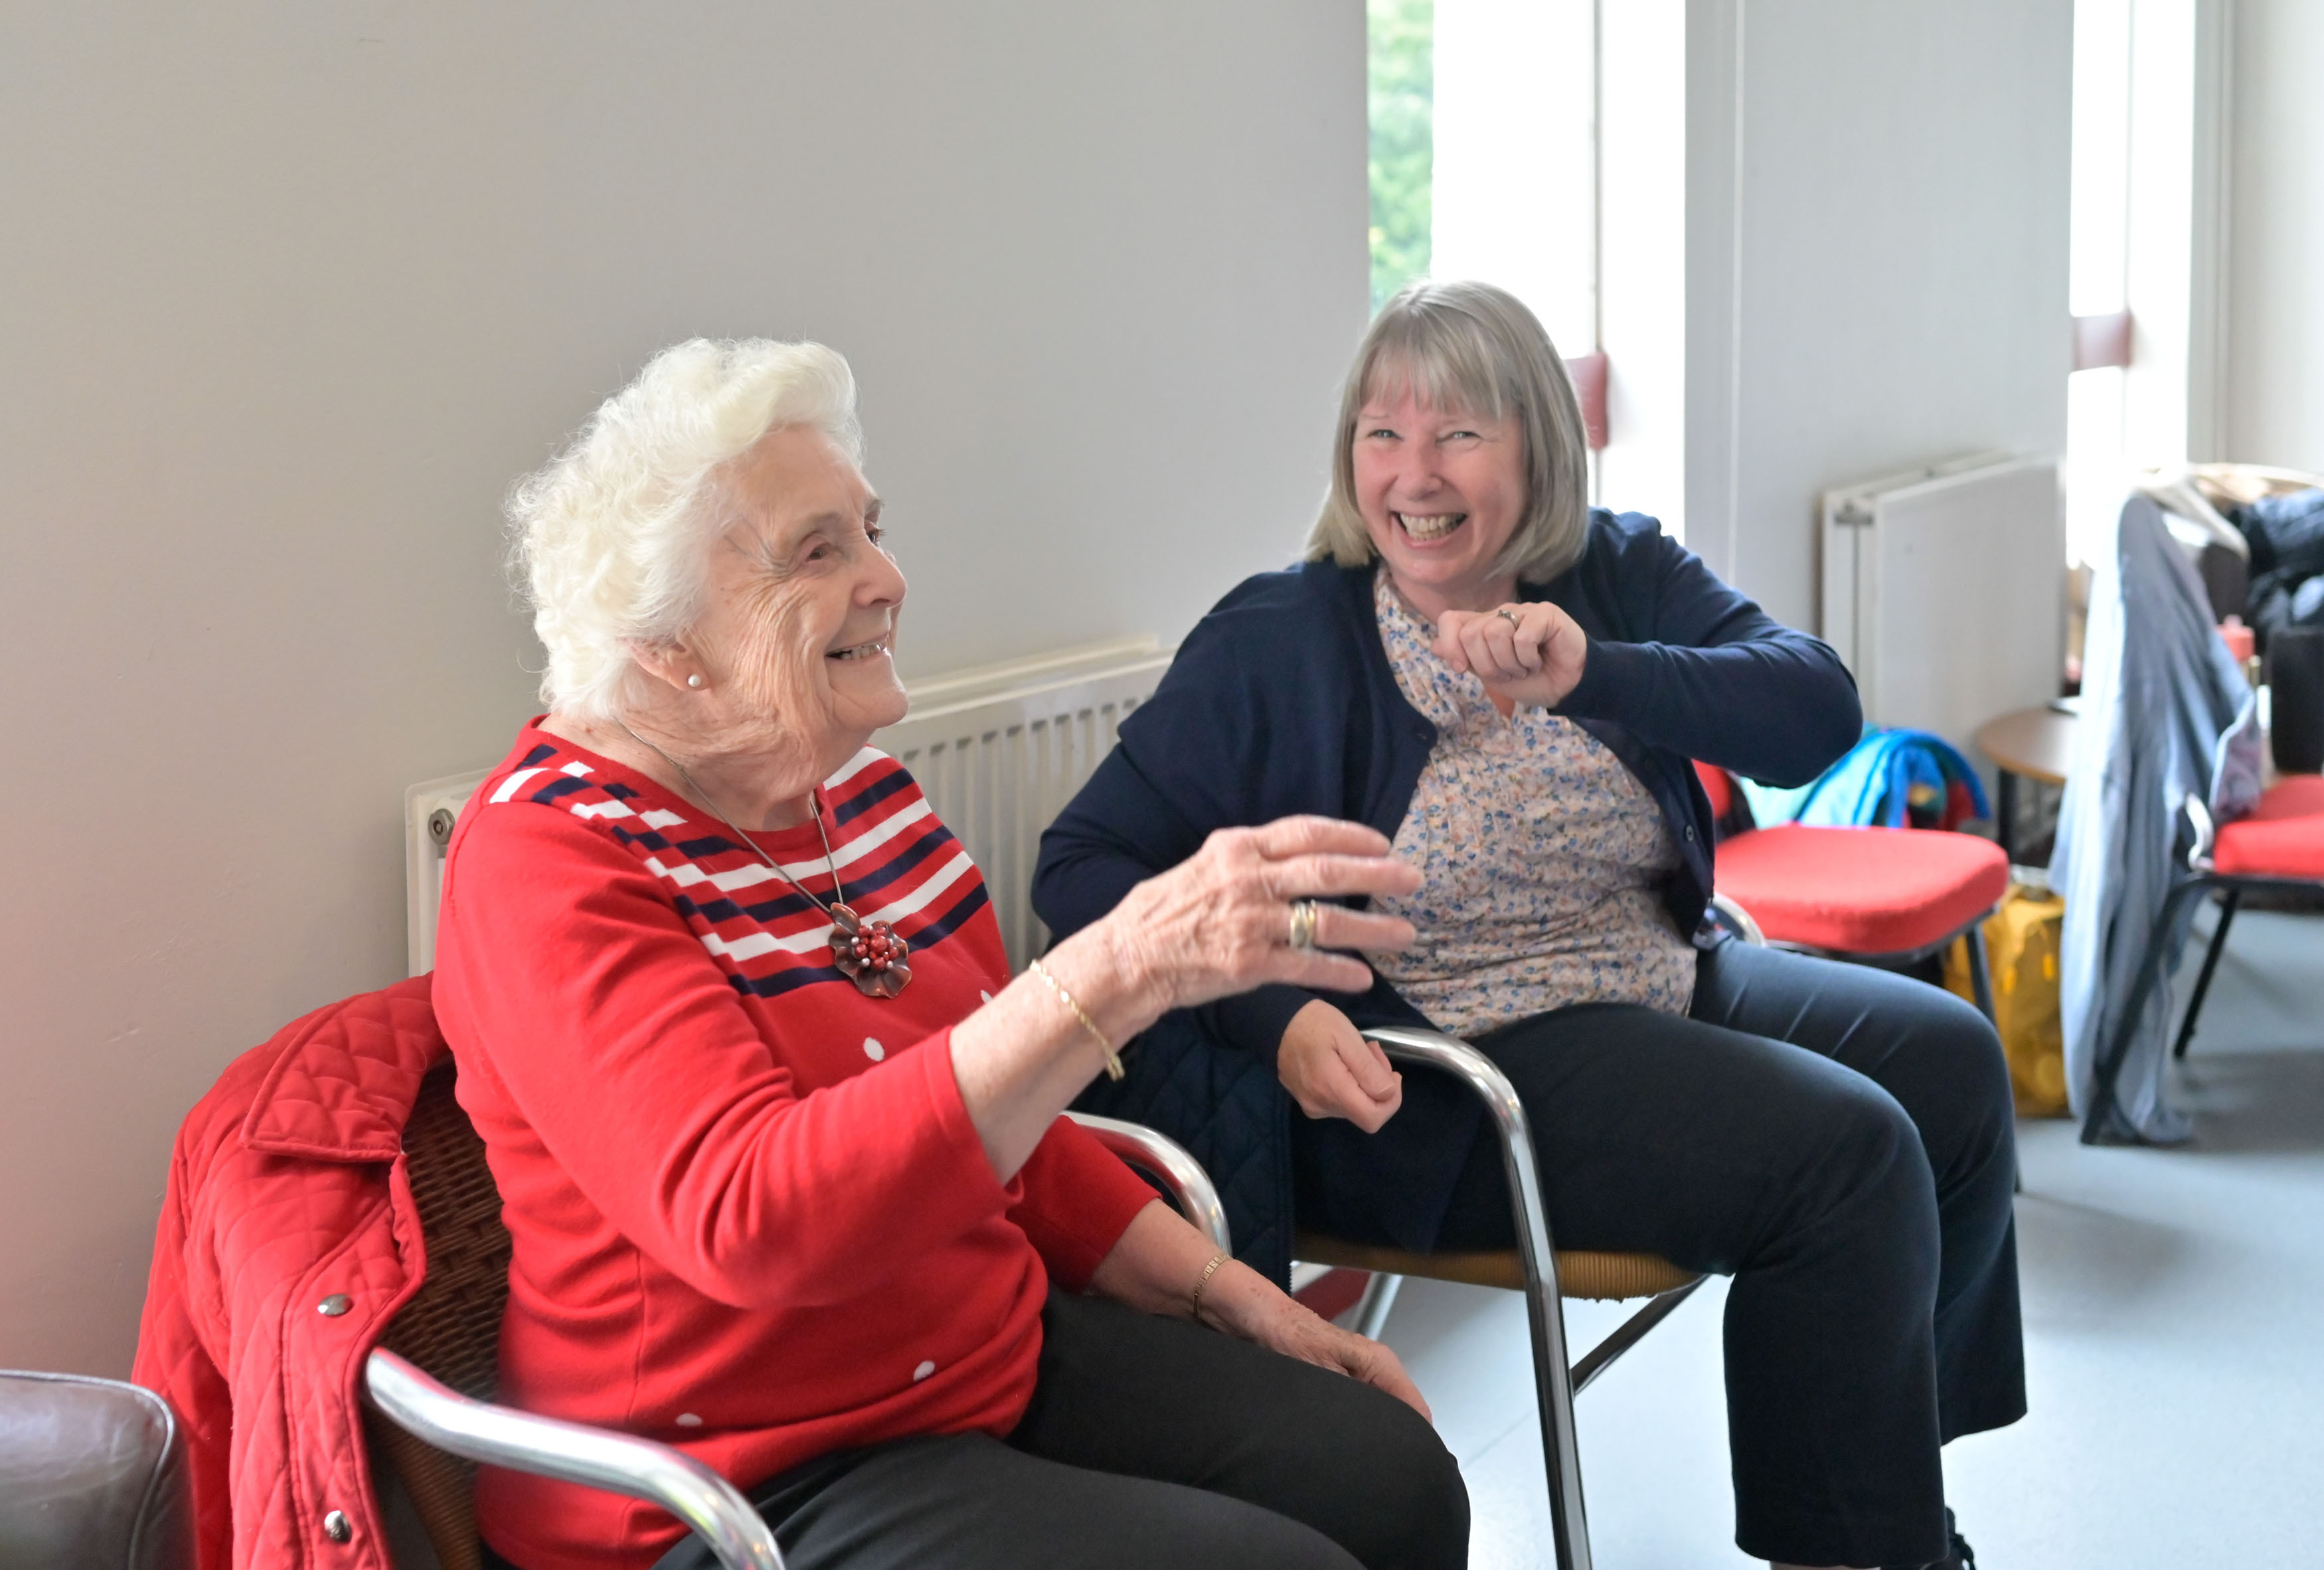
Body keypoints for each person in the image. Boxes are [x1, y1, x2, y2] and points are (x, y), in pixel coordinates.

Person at [430, 337, 1468, 1570]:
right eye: (819, 551)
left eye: (871, 529)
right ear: (667, 641)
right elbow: (755, 1216)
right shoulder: (546, 860)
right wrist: (1117, 966)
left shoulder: (858, 800)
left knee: (1391, 1475)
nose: (888, 578)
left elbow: (1006, 1129)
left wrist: (1227, 1293)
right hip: (739, 1478)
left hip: (981, 1361)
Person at [1033, 281, 2023, 1570]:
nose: (1412, 474)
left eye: (1459, 434)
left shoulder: (1613, 573)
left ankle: (1884, 1481)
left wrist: (1593, 672)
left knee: (1948, 1063)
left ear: (1540, 448)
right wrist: (1273, 1013)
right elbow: (1083, 864)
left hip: (1656, 970)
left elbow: (1814, 710)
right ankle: (1859, 1551)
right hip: (1445, 1057)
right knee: (1845, 1157)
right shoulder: (1281, 635)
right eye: (1380, 434)